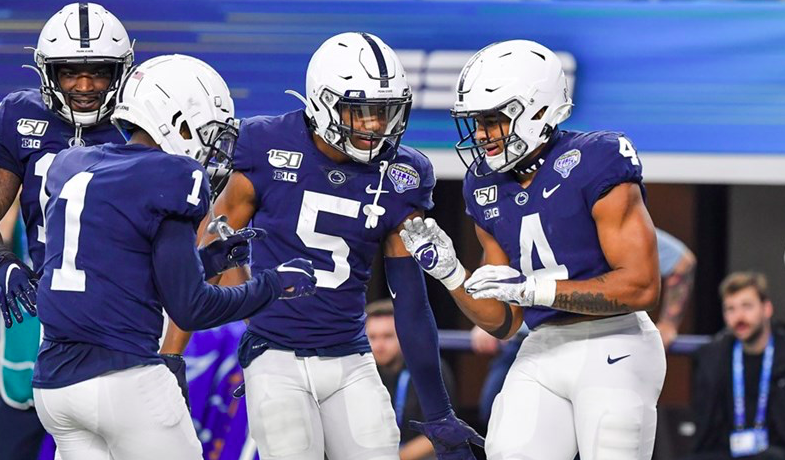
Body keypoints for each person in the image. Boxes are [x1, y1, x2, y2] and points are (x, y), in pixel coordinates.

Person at [161, 32, 482, 460]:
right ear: (322, 102)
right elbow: (211, 257)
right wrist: (170, 356)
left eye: (384, 112)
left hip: (351, 355)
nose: (375, 125)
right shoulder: (264, 143)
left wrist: (439, 410)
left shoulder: (404, 173)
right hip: (274, 353)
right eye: (360, 111)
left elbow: (409, 297)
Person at [31, 54, 317, 460]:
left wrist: (210, 261)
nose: (214, 148)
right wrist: (272, 285)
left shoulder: (73, 163)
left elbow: (120, 271)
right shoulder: (173, 175)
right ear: (176, 121)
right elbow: (191, 308)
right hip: (123, 379)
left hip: (55, 389)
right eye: (208, 132)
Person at [401, 39, 666, 460]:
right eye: (477, 121)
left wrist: (535, 290)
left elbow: (642, 287)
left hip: (616, 340)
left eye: (493, 120)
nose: (482, 135)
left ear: (538, 111)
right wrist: (453, 275)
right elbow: (505, 322)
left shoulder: (596, 159)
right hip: (542, 344)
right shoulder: (482, 184)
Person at [0, 4, 133, 459]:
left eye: (98, 72)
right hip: (42, 309)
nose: (84, 86)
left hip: (128, 315)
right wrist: (3, 259)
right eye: (70, 72)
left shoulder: (145, 119)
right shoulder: (20, 116)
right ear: (47, 72)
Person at [470, 227, 695, 426]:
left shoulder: (603, 217)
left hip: (594, 339)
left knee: (590, 428)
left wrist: (669, 323)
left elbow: (681, 263)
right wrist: (489, 320)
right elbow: (493, 269)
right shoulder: (512, 214)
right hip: (526, 342)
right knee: (499, 418)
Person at [688, 272, 785, 460]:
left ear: (766, 309)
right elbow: (705, 433)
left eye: (747, 306)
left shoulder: (781, 355)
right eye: (730, 309)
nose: (739, 317)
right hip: (727, 453)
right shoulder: (713, 358)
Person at [366, 298, 458, 460]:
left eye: (387, 336)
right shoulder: (361, 372)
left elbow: (443, 433)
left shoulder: (430, 369)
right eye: (372, 337)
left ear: (405, 336)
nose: (379, 346)